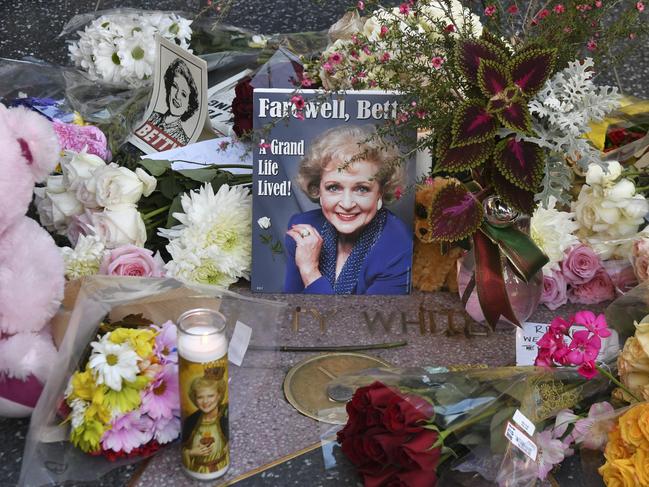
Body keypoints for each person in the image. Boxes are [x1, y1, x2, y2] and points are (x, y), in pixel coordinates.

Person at [284, 125, 412, 294]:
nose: (347, 204)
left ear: (380, 192)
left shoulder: (399, 247)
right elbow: (291, 308)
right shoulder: (303, 230)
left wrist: (310, 272)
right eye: (334, 187)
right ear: (318, 189)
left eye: (362, 189)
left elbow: (364, 321)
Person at [182, 373, 229, 474]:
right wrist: (191, 452)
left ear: (219, 395)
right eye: (200, 397)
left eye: (210, 396)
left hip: (221, 464)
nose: (205, 401)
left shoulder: (223, 417)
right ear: (195, 399)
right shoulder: (190, 422)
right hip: (198, 469)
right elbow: (184, 447)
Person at [147, 58, 199, 145]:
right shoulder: (150, 115)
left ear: (189, 105)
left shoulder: (183, 141)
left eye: (184, 94)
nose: (177, 96)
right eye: (175, 86)